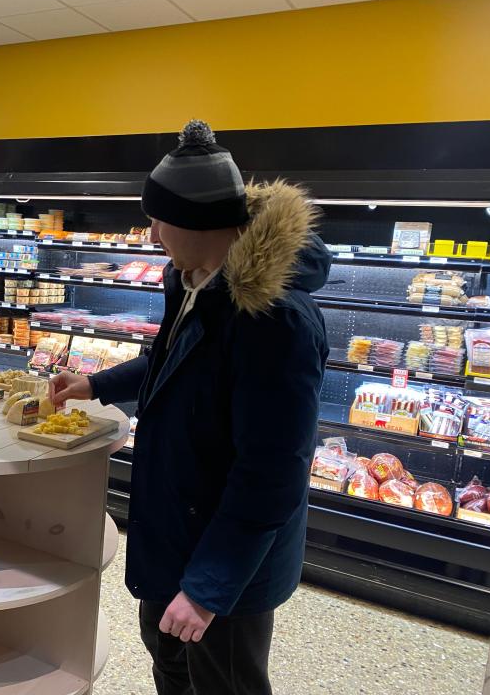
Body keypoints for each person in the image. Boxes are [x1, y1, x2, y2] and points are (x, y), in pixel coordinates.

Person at [50, 119, 330, 695]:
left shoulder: (275, 321)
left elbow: (273, 472)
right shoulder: (191, 277)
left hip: (229, 557)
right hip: (176, 526)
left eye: (158, 219)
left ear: (198, 222)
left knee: (224, 680)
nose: (151, 234)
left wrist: (207, 589)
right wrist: (95, 384)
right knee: (170, 664)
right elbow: (173, 358)